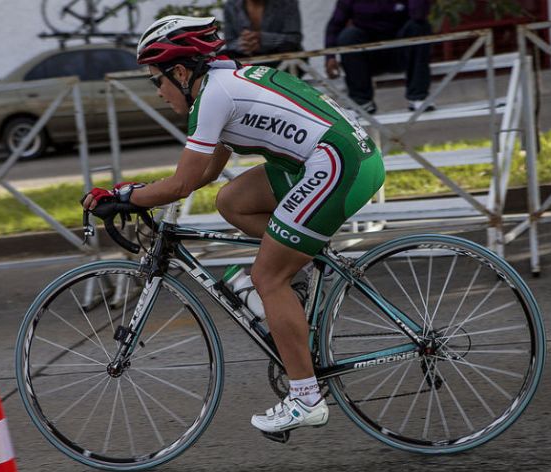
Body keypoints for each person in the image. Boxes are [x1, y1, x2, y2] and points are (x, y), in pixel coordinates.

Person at [81, 15, 385, 436]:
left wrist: (125, 196)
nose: (159, 93)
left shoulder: (213, 96)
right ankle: (296, 261)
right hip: (329, 158)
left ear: (182, 72)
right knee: (232, 201)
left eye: (157, 81)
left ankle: (306, 398)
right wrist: (140, 191)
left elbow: (183, 183)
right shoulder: (224, 84)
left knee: (266, 277)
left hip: (337, 165)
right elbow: (206, 176)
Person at [325, 0, 434, 113]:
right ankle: (361, 102)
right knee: (349, 36)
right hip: (369, 59)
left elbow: (418, 15)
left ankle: (418, 97)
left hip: (401, 54)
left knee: (419, 27)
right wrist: (330, 57)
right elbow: (335, 26)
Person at [221, 0, 303, 69]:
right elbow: (229, 42)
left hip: (280, 58)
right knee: (220, 57)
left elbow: (294, 38)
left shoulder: (287, 2)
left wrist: (263, 39)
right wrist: (243, 44)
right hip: (247, 60)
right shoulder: (230, 5)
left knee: (291, 49)